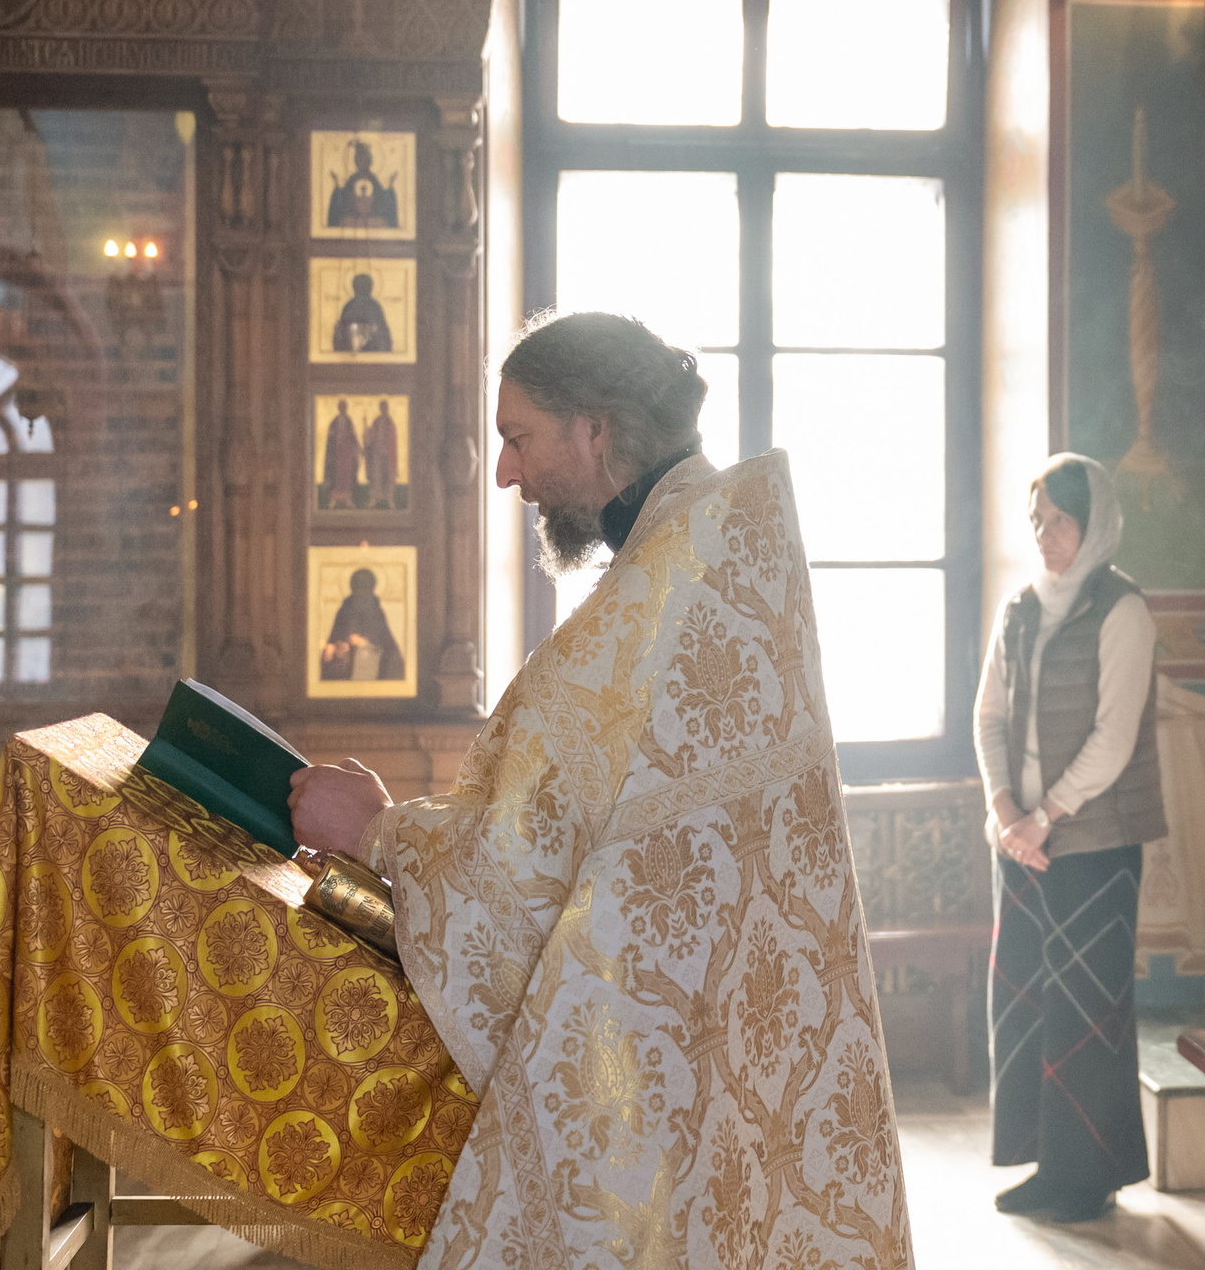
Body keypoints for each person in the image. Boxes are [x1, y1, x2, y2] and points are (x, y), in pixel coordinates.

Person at [289, 310, 912, 1267]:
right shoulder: (716, 557)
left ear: (595, 429)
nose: (506, 473)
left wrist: (375, 832)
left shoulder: (663, 593)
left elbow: (511, 871)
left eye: (517, 437)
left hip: (649, 1062)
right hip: (728, 1044)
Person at [973, 452, 1164, 1224]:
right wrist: (1001, 809)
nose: (1047, 536)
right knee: (1024, 995)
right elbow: (987, 716)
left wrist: (1042, 817)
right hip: (1018, 837)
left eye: (1061, 521)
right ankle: (1043, 1163)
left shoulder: (1123, 611)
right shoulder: (1018, 608)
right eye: (1038, 522)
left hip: (1094, 841)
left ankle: (1088, 1176)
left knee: (1088, 1006)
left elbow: (1114, 739)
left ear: (1095, 525)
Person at [316, 566, 402, 682]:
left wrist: (368, 643)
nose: (362, 588)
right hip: (347, 664)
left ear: (372, 586)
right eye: (359, 584)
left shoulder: (376, 611)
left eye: (365, 584)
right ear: (353, 585)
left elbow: (386, 642)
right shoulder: (345, 610)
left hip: (373, 662)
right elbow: (336, 637)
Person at [331, 272, 392, 354]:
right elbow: (384, 334)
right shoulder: (374, 306)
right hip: (364, 351)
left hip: (364, 350)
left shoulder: (349, 306)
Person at [320, 398, 360, 510]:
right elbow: (330, 438)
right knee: (335, 475)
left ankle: (347, 499)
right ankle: (334, 499)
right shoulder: (334, 421)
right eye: (341, 406)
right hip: (337, 454)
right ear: (339, 408)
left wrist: (357, 448)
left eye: (344, 406)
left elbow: (353, 436)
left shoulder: (349, 420)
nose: (343, 408)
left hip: (346, 454)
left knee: (346, 476)